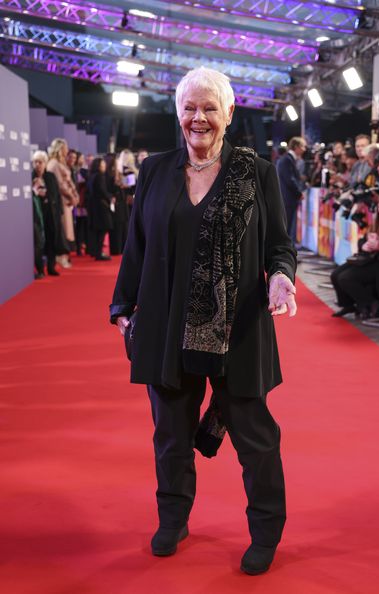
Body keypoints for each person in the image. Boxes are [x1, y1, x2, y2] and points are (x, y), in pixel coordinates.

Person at [109, 67, 297, 576]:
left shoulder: (255, 170)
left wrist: (281, 277)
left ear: (229, 114)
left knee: (254, 435)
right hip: (167, 327)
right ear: (178, 113)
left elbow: (280, 245)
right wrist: (122, 309)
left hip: (237, 328)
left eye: (210, 108)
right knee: (170, 432)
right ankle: (173, 519)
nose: (199, 118)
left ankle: (265, 529)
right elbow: (136, 248)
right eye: (190, 107)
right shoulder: (155, 170)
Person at [330, 192, 379, 319]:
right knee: (335, 274)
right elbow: (362, 239)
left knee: (346, 278)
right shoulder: (378, 222)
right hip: (370, 259)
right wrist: (364, 245)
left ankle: (370, 304)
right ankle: (348, 304)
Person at [32, 150, 67, 276]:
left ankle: (51, 267)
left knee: (52, 240)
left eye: (40, 162)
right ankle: (40, 269)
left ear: (45, 163)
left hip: (51, 214)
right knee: (39, 243)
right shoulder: (30, 177)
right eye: (35, 162)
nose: (37, 165)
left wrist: (60, 213)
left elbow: (57, 196)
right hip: (37, 215)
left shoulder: (50, 177)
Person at [47, 138, 79, 267]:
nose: (67, 150)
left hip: (66, 201)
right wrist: (71, 196)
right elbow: (60, 185)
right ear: (60, 149)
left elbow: (68, 182)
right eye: (65, 148)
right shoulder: (54, 164)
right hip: (61, 201)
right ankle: (60, 256)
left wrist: (74, 195)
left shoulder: (60, 163)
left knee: (67, 230)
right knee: (63, 230)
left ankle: (63, 255)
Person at [276, 136, 307, 243]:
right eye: (303, 146)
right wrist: (299, 193)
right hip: (288, 199)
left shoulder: (287, 159)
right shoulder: (287, 160)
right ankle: (287, 255)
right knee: (288, 228)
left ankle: (288, 254)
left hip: (287, 199)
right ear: (296, 147)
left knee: (288, 227)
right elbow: (290, 180)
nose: (304, 149)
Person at [87, 157, 114, 261]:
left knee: (97, 231)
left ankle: (96, 252)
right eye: (103, 164)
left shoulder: (92, 176)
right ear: (98, 166)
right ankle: (99, 253)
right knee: (102, 229)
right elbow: (102, 190)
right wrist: (110, 197)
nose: (105, 166)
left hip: (94, 206)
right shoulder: (99, 176)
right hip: (101, 207)